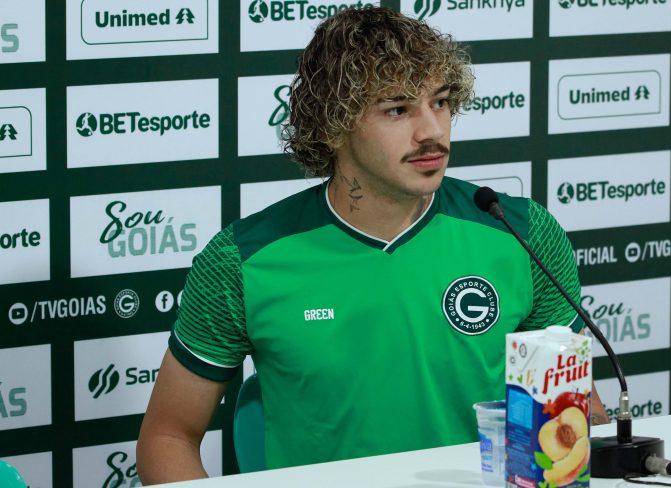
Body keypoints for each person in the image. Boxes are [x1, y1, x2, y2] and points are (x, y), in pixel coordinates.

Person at [136, 6, 609, 484]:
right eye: (398, 109)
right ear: (333, 124)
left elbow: (575, 412)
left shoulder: (521, 233)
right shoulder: (243, 261)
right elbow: (167, 438)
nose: (432, 132)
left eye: (441, 102)